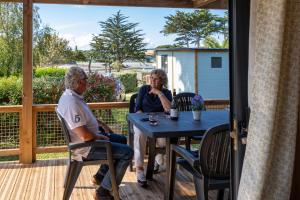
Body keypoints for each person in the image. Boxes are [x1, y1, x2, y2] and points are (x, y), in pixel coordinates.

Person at [57, 66, 133, 200]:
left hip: (90, 140)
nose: (87, 82)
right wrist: (100, 136)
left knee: (121, 139)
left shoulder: (72, 96)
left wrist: (102, 125)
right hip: (86, 147)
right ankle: (102, 192)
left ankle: (100, 177)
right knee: (127, 153)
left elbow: (85, 118)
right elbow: (85, 136)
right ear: (79, 82)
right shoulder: (71, 103)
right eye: (85, 79)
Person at [133, 69, 172, 187]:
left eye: (155, 78)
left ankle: (155, 158)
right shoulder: (144, 89)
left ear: (162, 81)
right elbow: (138, 108)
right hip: (142, 122)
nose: (152, 80)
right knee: (140, 134)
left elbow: (169, 110)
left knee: (164, 139)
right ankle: (139, 169)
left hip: (160, 123)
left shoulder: (167, 92)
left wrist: (159, 93)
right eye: (151, 78)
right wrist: (145, 121)